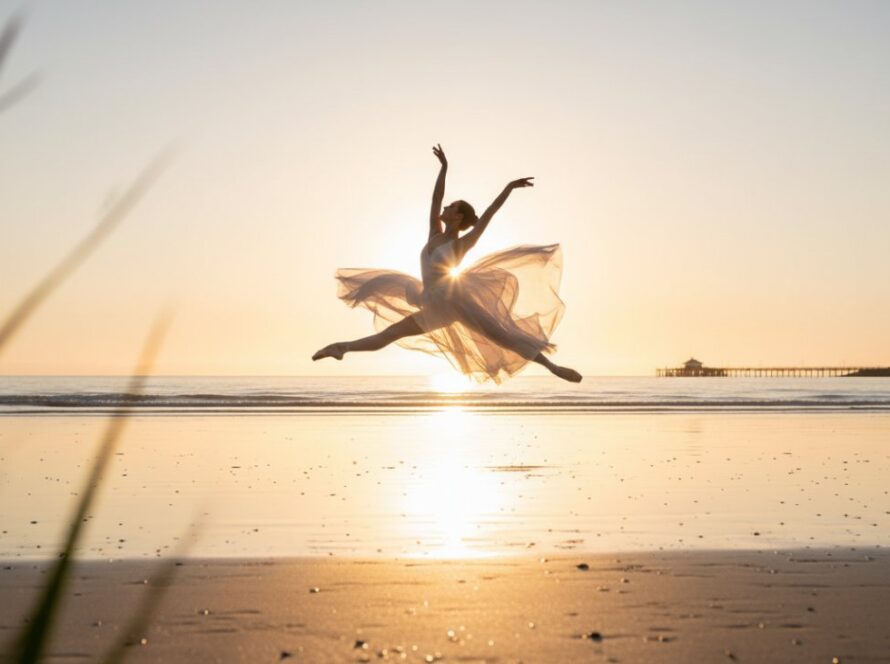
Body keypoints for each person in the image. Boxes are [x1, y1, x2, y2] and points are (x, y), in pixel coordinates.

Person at [312, 144, 581, 384]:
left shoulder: (462, 244)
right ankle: (341, 347)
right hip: (431, 303)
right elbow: (435, 200)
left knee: (504, 337)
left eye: (451, 207)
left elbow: (489, 214)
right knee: (390, 335)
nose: (445, 209)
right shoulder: (434, 234)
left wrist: (509, 187)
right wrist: (444, 168)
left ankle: (553, 368)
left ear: (458, 216)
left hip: (457, 302)